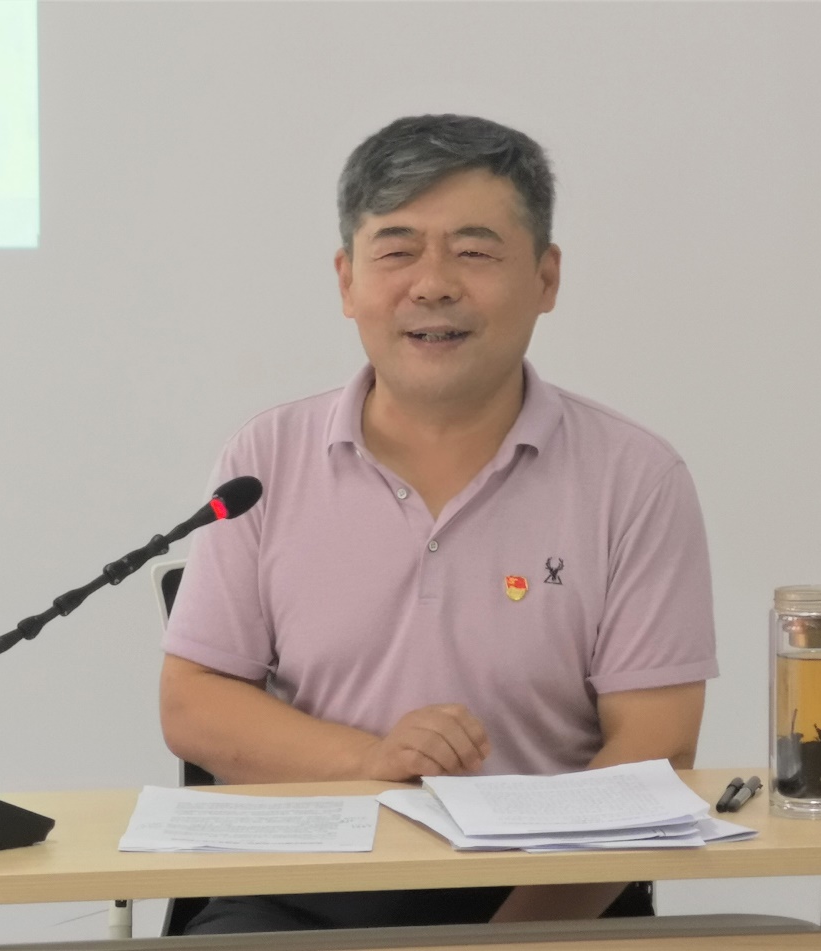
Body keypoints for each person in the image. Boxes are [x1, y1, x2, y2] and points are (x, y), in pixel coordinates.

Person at [159, 114, 718, 934]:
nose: (432, 285)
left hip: (549, 900)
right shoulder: (265, 458)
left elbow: (655, 749)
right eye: (397, 252)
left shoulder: (635, 477)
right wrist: (369, 758)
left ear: (547, 277)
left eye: (474, 252)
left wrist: (507, 940)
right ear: (347, 280)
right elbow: (193, 704)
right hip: (297, 893)